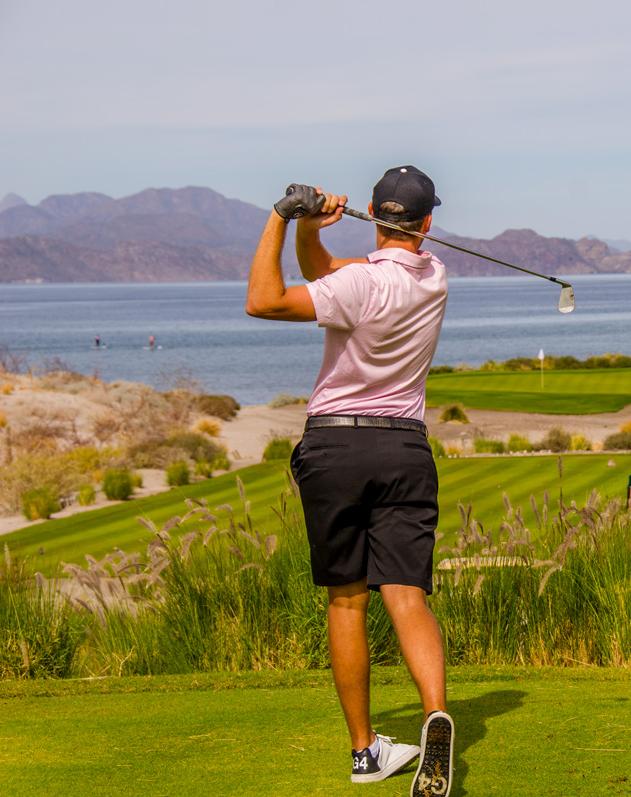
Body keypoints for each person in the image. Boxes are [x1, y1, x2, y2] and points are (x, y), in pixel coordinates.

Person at [245, 166, 454, 796]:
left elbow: (264, 299)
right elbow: (326, 275)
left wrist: (283, 217)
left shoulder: (360, 284)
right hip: (404, 450)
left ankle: (365, 752)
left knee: (347, 599)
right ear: (425, 224)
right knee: (407, 595)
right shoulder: (435, 278)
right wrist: (316, 230)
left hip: (337, 444)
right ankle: (434, 714)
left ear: (371, 210)